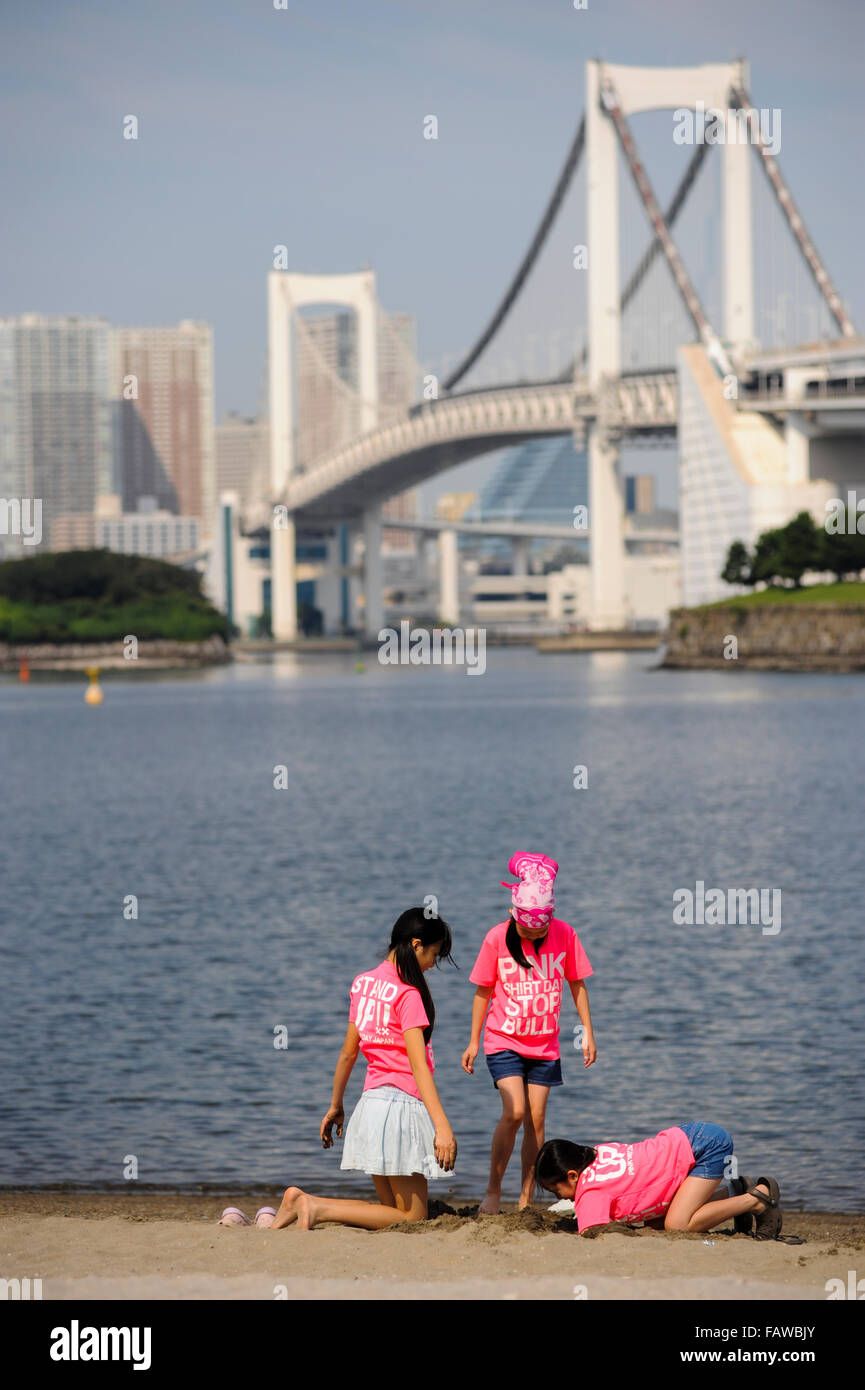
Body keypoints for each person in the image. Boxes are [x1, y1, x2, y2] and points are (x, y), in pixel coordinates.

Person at [267, 908, 457, 1231]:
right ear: (415, 944)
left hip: (369, 1107)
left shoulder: (363, 983)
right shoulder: (409, 995)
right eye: (434, 954)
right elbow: (418, 1067)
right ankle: (314, 1205)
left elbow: (347, 1053)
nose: (432, 964)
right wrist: (443, 1127)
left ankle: (307, 1204)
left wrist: (335, 1105)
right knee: (413, 1217)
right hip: (400, 1112)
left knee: (391, 1211)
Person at [462, 852, 596, 1214]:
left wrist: (587, 1030)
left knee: (537, 1121)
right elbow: (483, 991)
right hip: (503, 1040)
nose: (533, 935)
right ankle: (492, 1191)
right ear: (513, 915)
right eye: (526, 930)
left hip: (544, 1045)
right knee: (516, 1111)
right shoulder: (496, 939)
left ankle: (524, 1199)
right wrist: (473, 1041)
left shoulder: (565, 934)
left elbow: (577, 983)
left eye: (539, 931)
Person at [533, 1122, 782, 1238]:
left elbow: (592, 1231)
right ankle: (735, 1191)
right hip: (691, 1134)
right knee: (659, 1222)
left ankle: (758, 1198)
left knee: (678, 1224)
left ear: (573, 1175)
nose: (561, 1197)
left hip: (704, 1150)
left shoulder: (589, 1190)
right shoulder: (599, 1153)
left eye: (557, 1190)